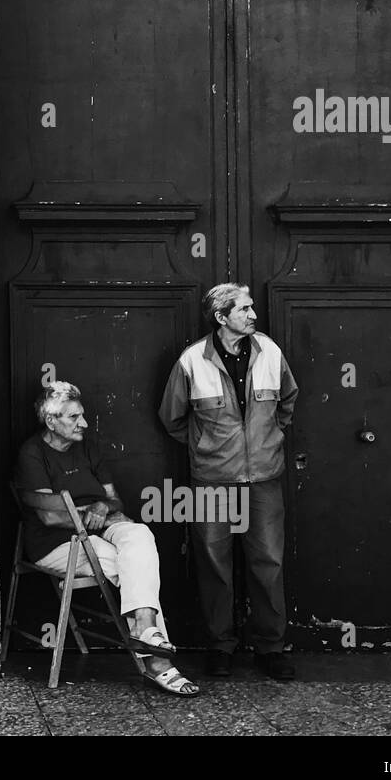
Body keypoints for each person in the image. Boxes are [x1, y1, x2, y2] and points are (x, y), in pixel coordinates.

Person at [14, 381, 199, 697]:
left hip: (99, 528)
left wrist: (103, 507)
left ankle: (144, 629)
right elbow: (51, 517)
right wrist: (93, 510)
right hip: (57, 544)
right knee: (129, 564)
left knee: (139, 533)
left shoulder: (88, 446)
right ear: (51, 421)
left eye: (82, 415)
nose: (83, 423)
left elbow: (115, 502)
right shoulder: (32, 454)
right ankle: (158, 665)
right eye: (74, 418)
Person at [158, 283, 299, 680]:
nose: (254, 315)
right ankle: (220, 647)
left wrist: (269, 439)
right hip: (211, 483)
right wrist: (210, 448)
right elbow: (173, 418)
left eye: (252, 308)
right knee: (213, 564)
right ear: (222, 318)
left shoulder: (269, 352)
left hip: (264, 479)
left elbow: (287, 401)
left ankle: (270, 649)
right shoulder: (192, 361)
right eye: (245, 309)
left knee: (268, 563)